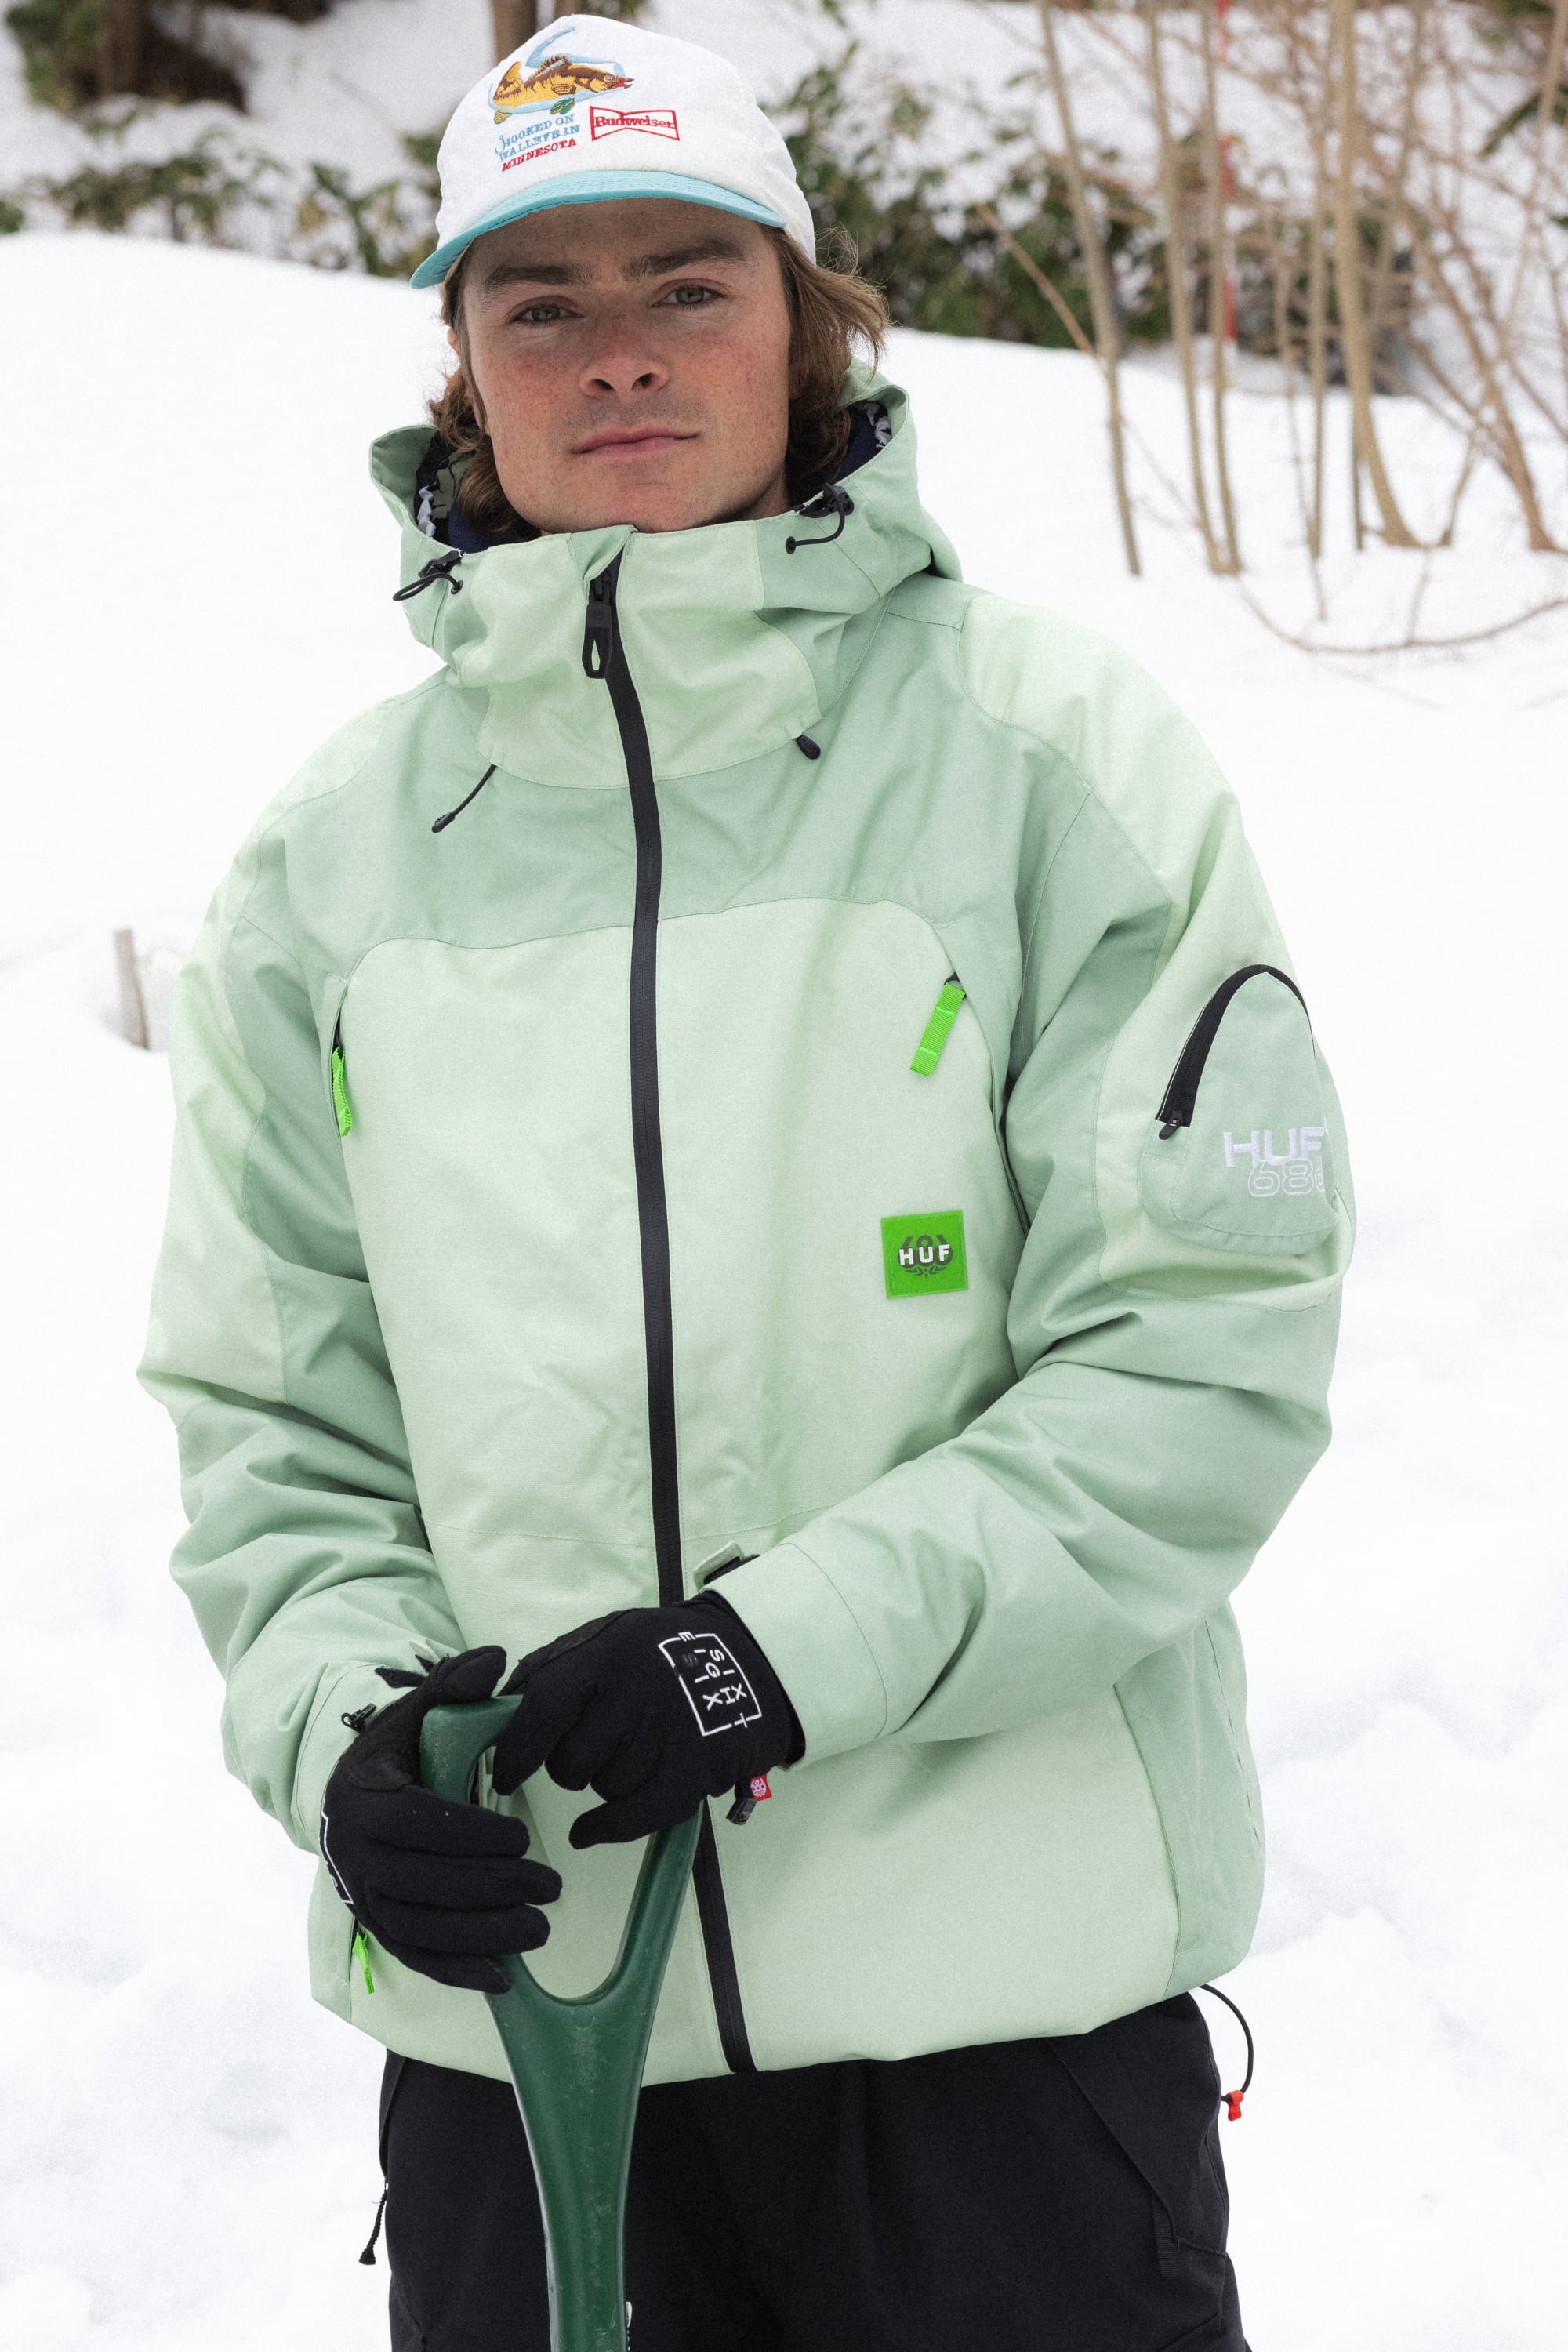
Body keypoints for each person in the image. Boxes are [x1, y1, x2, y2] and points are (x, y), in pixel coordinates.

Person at [140, 15, 1353, 2350]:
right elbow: (271, 1421)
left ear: (806, 323)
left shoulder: (1049, 763)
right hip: (528, 2042)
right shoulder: (330, 867)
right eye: (543, 303)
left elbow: (1197, 1358)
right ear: (462, 368)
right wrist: (348, 1732)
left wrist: (776, 1651)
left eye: (687, 282)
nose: (617, 353)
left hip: (1001, 2053)